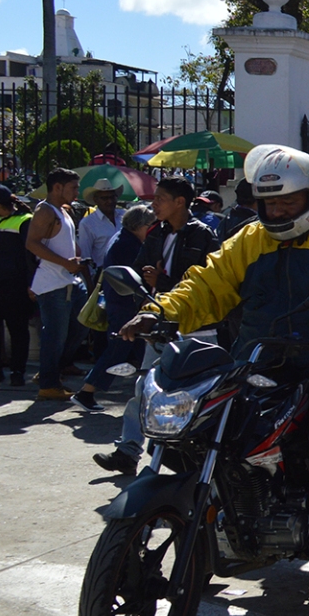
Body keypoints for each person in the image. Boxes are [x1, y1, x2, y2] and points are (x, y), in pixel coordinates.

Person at [116, 145, 309, 574]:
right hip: (258, 356)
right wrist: (159, 311)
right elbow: (207, 283)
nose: (277, 211)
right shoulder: (250, 238)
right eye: (269, 203)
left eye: (288, 202)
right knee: (207, 422)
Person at [91, 177, 221, 475]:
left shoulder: (203, 235)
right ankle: (128, 451)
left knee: (200, 395)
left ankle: (202, 462)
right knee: (145, 387)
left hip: (196, 328)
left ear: (180, 202)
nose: (154, 205)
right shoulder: (155, 233)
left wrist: (163, 281)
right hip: (159, 325)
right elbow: (138, 271)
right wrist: (144, 288)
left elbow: (208, 283)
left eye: (160, 199)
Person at [70, 203, 155, 411]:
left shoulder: (122, 238)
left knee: (143, 352)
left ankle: (148, 396)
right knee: (117, 351)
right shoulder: (127, 244)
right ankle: (86, 392)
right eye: (150, 226)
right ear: (140, 226)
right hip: (125, 305)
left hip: (122, 303)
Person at [25, 168, 88, 400]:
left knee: (82, 325)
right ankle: (48, 385)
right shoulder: (45, 211)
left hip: (70, 280)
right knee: (55, 336)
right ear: (58, 187)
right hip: (53, 285)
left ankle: (49, 371)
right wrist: (65, 263)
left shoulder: (63, 210)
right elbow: (32, 244)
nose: (77, 192)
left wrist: (75, 257)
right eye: (73, 188)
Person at [0, 184, 35, 386]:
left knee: (18, 330)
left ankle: (17, 371)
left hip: (16, 286)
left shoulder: (25, 221)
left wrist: (31, 283)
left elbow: (30, 256)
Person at [75, 178, 124, 270]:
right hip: (102, 272)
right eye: (104, 198)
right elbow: (85, 257)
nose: (110, 201)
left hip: (125, 270)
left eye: (112, 197)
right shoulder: (87, 223)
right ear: (95, 200)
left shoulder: (124, 215)